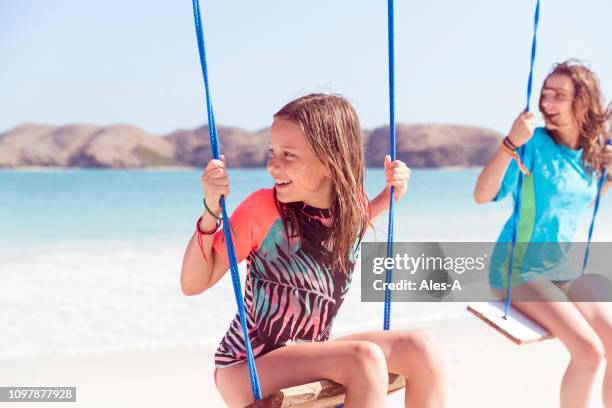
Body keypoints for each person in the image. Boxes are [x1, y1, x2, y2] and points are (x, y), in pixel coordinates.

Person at [181, 93, 447, 408]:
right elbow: (193, 283)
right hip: (248, 365)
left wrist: (392, 192)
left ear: (330, 160)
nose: (272, 165)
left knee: (421, 347)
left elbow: (354, 222)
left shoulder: (351, 209)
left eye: (288, 155)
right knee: (364, 359)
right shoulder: (263, 210)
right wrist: (211, 208)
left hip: (307, 353)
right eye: (272, 152)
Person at [474, 60, 612, 408]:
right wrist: (508, 144)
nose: (547, 104)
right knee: (589, 352)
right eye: (545, 95)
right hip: (517, 270)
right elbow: (482, 195)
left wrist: (609, 175)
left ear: (583, 102)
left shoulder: (591, 152)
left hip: (561, 270)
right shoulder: (531, 144)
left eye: (559, 96)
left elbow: (578, 201)